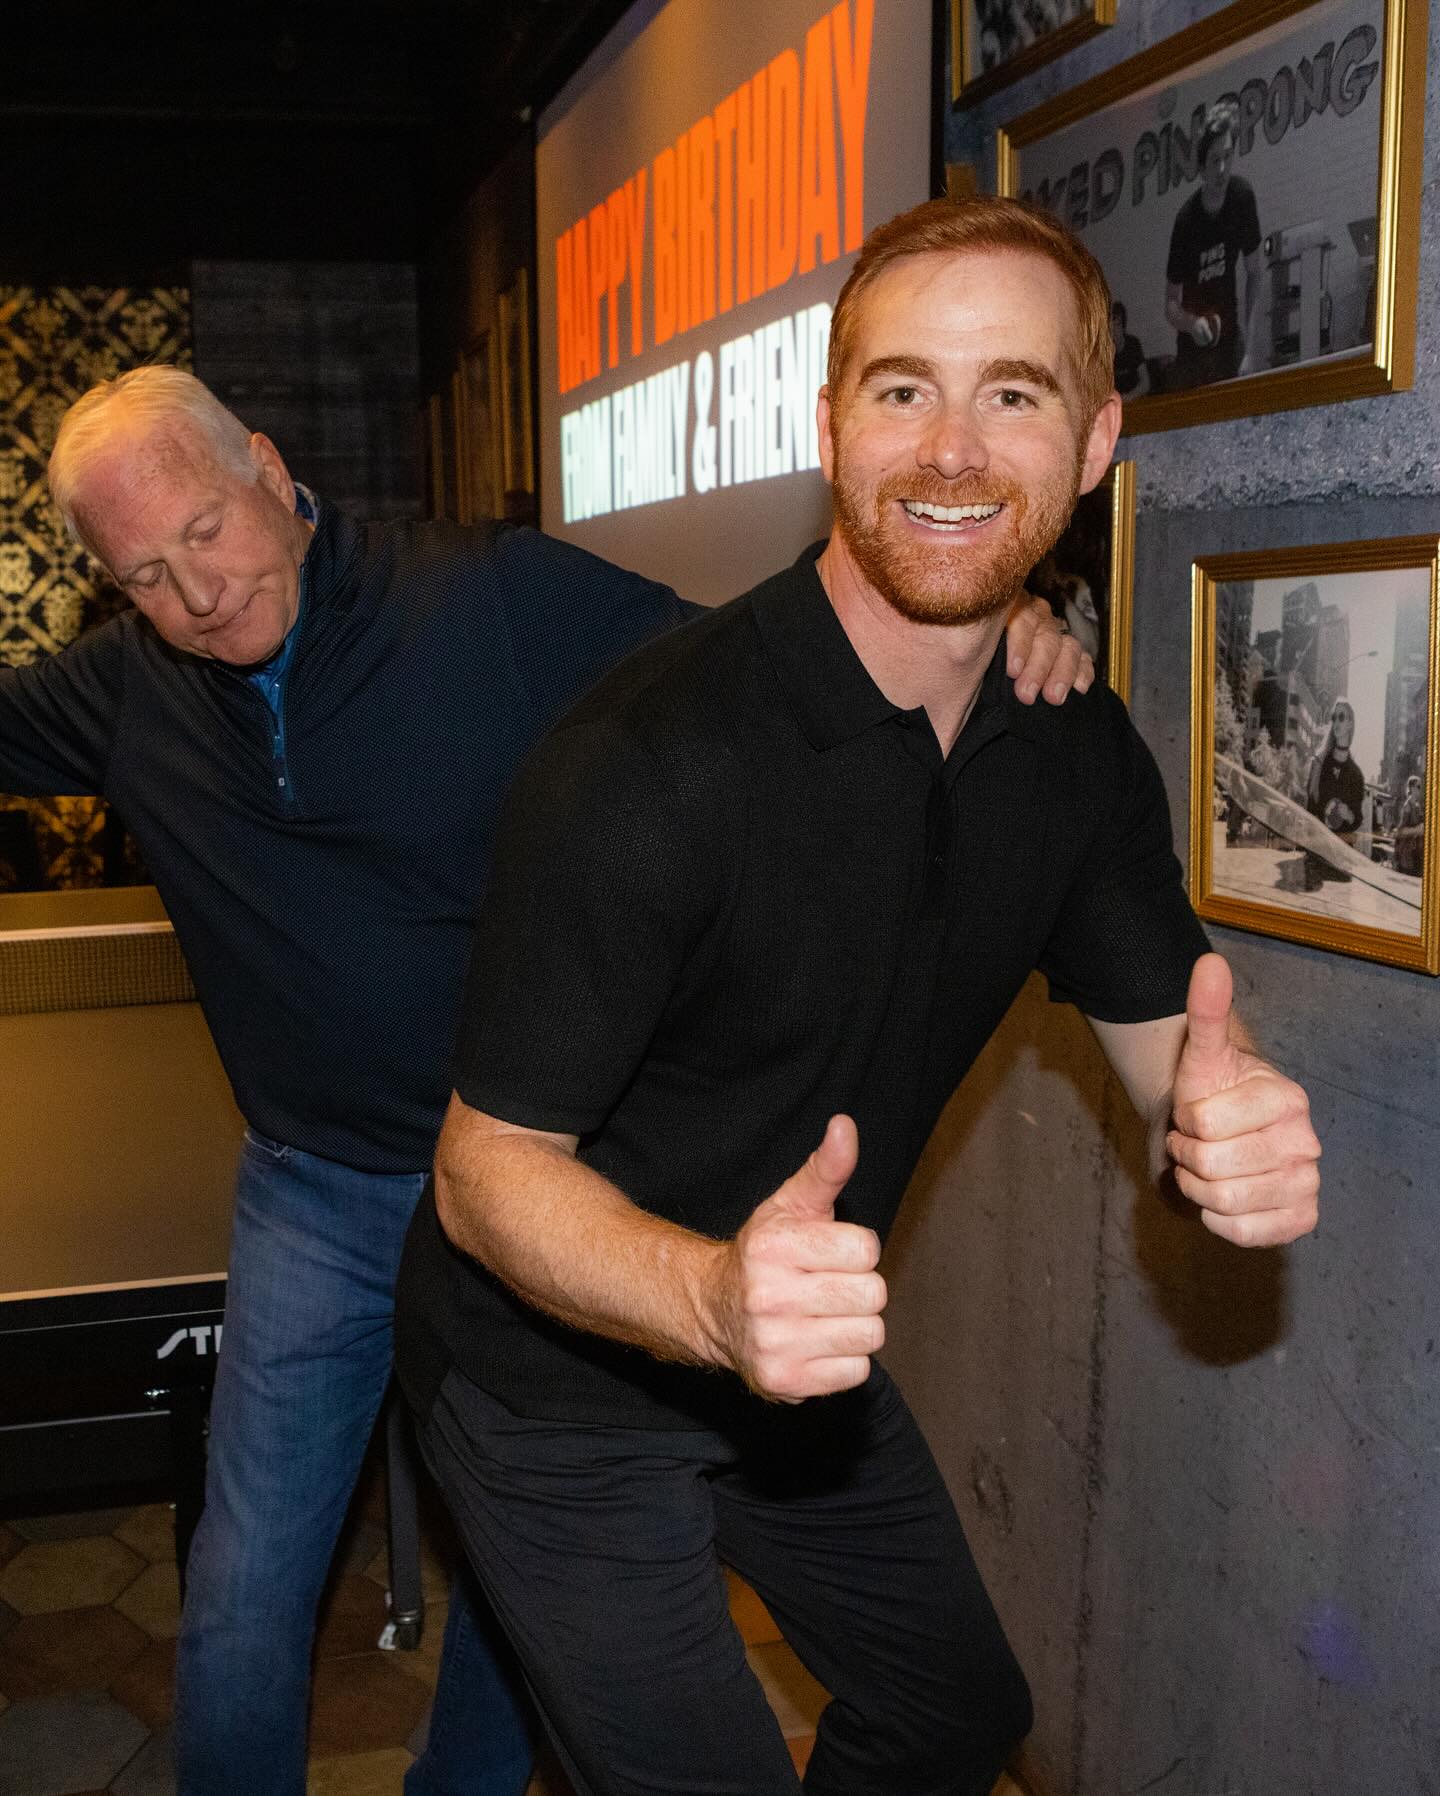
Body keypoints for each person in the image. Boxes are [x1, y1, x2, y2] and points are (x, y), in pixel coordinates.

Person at [2, 366, 1085, 1796]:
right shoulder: (124, 688)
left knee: (534, 1598)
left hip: (529, 1192)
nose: (194, 595)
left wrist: (979, 611)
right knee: (244, 1597)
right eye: (144, 575)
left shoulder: (491, 598)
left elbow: (766, 669)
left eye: (204, 531)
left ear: (267, 467)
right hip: (312, 1199)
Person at [395, 195, 1321, 1796]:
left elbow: (1184, 1052)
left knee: (957, 1715)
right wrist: (706, 1305)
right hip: (554, 1377)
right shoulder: (645, 767)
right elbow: (482, 1179)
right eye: (903, 390)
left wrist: (1223, 1123)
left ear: (1096, 443)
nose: (951, 451)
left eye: (1011, 396)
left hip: (793, 1359)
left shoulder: (1069, 748)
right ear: (831, 428)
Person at [1164, 101, 1266, 390]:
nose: (1221, 169)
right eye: (1213, 160)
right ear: (1201, 166)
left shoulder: (1241, 197)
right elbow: (1170, 304)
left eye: (1227, 157)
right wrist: (1190, 322)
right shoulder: (1186, 220)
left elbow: (1256, 272)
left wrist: (1251, 348)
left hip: (1230, 339)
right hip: (1192, 352)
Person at [1303, 697, 1366, 887]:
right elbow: (1310, 810)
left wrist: (1349, 814)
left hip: (1341, 864)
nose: (1336, 722)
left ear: (1350, 724)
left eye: (1341, 717)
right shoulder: (1319, 763)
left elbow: (1357, 820)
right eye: (1334, 717)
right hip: (1317, 859)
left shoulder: (1356, 775)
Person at [1110, 299, 1150, 399]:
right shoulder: (1106, 351)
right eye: (1111, 326)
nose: (1114, 330)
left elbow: (1145, 383)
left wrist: (1129, 397)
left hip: (1135, 399)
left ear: (1123, 326)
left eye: (1117, 325)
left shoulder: (1133, 344)